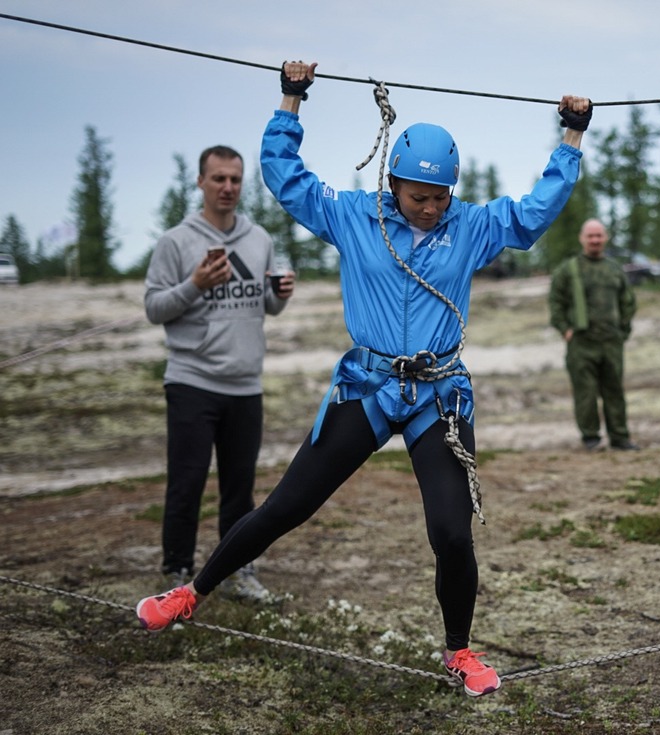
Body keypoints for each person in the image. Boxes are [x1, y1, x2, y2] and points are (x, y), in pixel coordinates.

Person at [137, 59, 592, 699]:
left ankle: (459, 651)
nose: (431, 209)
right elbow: (286, 180)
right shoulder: (355, 216)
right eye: (418, 197)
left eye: (440, 197)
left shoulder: (475, 226)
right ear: (394, 182)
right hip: (367, 389)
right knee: (288, 506)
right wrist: (292, 99)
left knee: (451, 531)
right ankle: (191, 592)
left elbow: (536, 211)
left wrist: (570, 138)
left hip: (439, 394)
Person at [144, 144, 296, 601]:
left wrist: (281, 293)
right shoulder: (176, 241)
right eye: (218, 179)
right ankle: (176, 573)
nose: (228, 187)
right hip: (192, 379)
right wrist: (195, 284)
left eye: (235, 179)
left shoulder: (259, 239)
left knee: (240, 489)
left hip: (246, 383)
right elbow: (154, 307)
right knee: (187, 483)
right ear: (200, 182)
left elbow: (264, 306)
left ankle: (238, 571)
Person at [548, 219, 639, 451]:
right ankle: (591, 438)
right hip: (581, 342)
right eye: (591, 236)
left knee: (614, 390)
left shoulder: (614, 269)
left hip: (611, 341)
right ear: (582, 238)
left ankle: (619, 437)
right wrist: (565, 329)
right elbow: (556, 302)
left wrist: (624, 329)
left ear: (605, 238)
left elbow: (628, 301)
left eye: (599, 236)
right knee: (585, 393)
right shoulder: (568, 270)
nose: (595, 240)